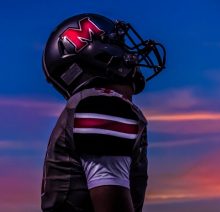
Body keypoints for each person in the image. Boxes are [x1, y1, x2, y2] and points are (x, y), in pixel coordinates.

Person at [41, 13, 166, 212]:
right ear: (98, 54)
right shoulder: (102, 104)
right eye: (118, 42)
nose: (128, 50)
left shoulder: (88, 104)